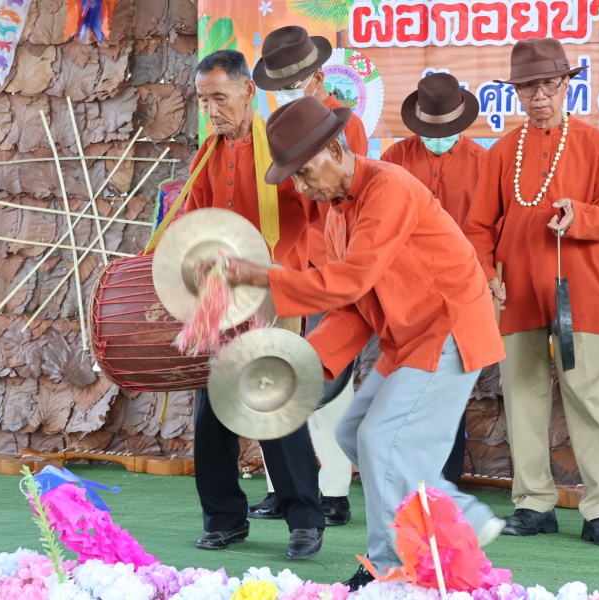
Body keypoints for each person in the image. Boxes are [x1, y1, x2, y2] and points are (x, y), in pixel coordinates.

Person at [224, 95, 507, 589]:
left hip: (448, 328)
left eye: (304, 172)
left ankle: (387, 567)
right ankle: (459, 513)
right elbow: (351, 308)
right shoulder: (336, 213)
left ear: (336, 150)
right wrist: (304, 364)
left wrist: (266, 277)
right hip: (408, 338)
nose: (300, 187)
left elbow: (349, 281)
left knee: (381, 441)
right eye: (293, 177)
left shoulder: (387, 186)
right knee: (355, 432)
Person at [464, 37, 599, 547]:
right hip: (516, 294)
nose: (539, 96)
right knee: (522, 397)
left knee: (591, 399)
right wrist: (485, 272)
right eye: (528, 87)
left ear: (566, 86)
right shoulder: (501, 151)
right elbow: (478, 227)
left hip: (579, 294)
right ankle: (533, 502)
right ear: (516, 93)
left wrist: (578, 215)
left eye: (549, 85)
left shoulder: (596, 143)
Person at [187, 49, 325, 559]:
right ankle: (224, 519)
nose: (211, 111)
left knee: (275, 404)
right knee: (212, 410)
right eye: (204, 101)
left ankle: (305, 520)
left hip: (275, 290)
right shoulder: (207, 154)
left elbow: (319, 213)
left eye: (219, 98)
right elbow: (194, 222)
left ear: (248, 90)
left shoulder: (284, 145)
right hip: (221, 296)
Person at [246, 25, 370, 525]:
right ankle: (282, 486)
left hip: (329, 269)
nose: (286, 91)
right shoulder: (271, 128)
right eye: (279, 85)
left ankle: (334, 489)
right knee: (275, 375)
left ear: (318, 76)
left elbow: (349, 201)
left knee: (330, 380)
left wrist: (330, 266)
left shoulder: (345, 125)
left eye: (294, 82)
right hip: (281, 266)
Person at [381, 71, 487, 482]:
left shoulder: (483, 163)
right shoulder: (393, 159)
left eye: (446, 130)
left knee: (449, 393)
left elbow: (488, 230)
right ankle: (400, 479)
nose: (438, 137)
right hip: (402, 295)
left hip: (460, 297)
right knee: (401, 388)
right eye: (430, 130)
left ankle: (444, 483)